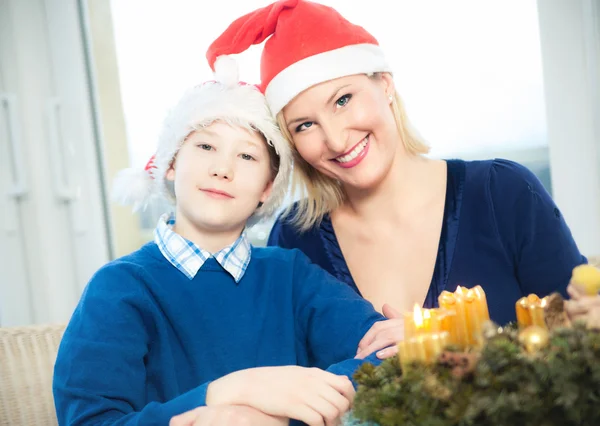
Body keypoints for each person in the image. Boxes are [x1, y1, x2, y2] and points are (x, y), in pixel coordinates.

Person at [206, 0, 587, 358]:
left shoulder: (502, 194)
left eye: (343, 100)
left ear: (385, 84)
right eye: (305, 125)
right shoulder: (295, 238)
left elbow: (580, 348)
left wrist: (454, 340)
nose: (337, 139)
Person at [52, 61, 388, 426]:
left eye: (246, 156)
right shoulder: (119, 289)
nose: (222, 169)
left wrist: (288, 407)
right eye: (206, 146)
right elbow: (89, 419)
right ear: (170, 164)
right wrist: (228, 394)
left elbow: (386, 353)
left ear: (266, 189)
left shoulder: (291, 275)